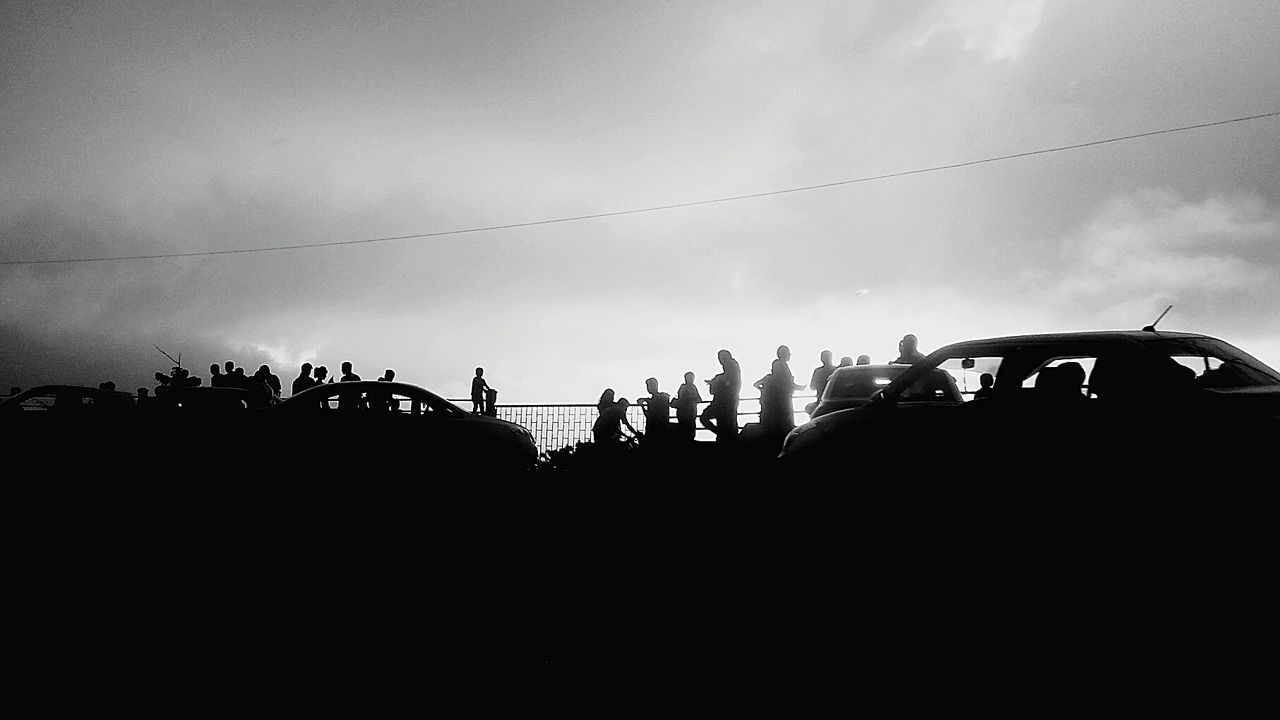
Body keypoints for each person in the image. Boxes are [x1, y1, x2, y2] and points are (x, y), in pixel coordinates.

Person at [755, 345, 805, 434]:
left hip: (773, 404)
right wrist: (800, 388)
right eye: (788, 353)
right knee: (784, 425)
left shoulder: (769, 377)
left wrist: (763, 390)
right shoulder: (783, 368)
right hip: (783, 403)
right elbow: (787, 384)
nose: (790, 354)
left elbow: (756, 384)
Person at [700, 349, 741, 441]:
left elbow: (728, 381)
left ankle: (722, 433)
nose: (720, 361)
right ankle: (724, 435)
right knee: (728, 423)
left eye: (720, 358)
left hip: (725, 402)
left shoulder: (732, 366)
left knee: (706, 418)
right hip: (727, 402)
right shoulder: (732, 367)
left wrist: (716, 381)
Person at [673, 372, 702, 441]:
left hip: (687, 413)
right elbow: (699, 399)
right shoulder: (690, 387)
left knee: (687, 431)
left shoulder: (689, 387)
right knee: (688, 431)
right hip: (687, 413)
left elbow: (698, 399)